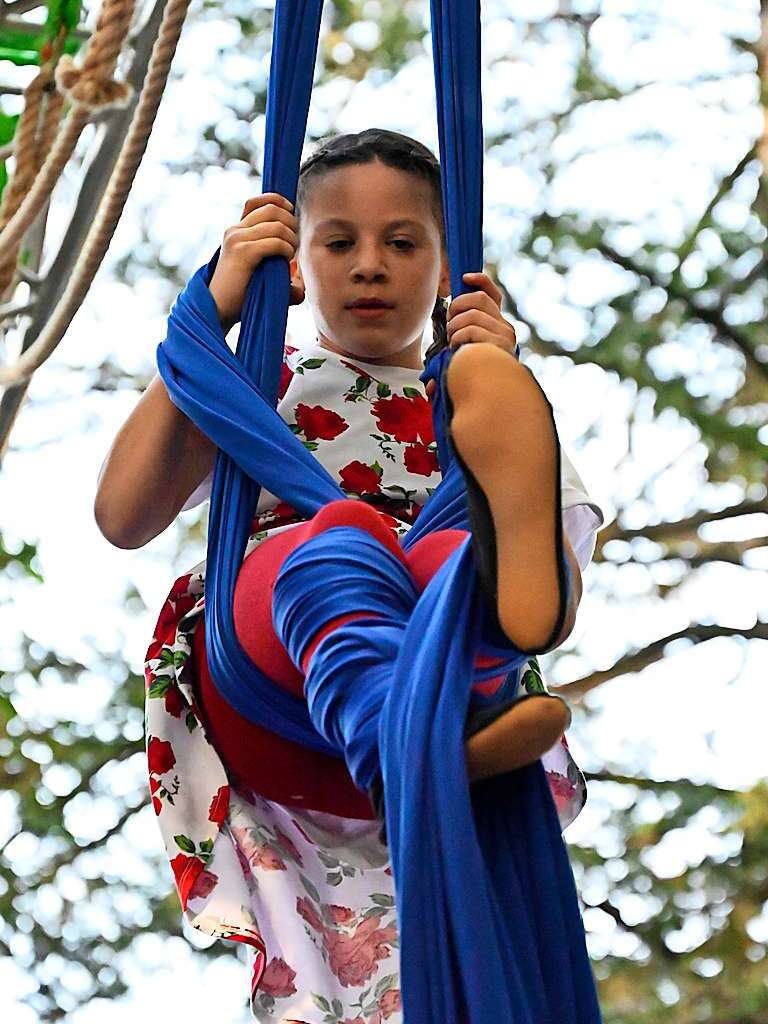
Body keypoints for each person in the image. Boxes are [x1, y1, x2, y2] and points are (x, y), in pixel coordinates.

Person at [95, 129, 605, 1023]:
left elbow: (555, 592)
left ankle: (448, 685)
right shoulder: (268, 381)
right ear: (300, 262)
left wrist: (500, 378)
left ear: (451, 273)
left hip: (441, 687)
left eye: (403, 244)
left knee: (454, 562)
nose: (371, 266)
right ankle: (403, 722)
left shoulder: (484, 410)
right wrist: (212, 313)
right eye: (341, 243)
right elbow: (123, 514)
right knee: (335, 544)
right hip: (278, 687)